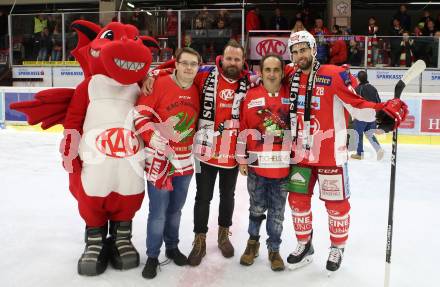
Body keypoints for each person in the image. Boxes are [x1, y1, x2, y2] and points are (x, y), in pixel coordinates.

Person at [283, 30, 408, 272]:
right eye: (295, 52)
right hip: (301, 156)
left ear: (313, 49)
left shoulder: (333, 75)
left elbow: (358, 105)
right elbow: (267, 76)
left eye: (303, 50)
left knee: (337, 205)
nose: (300, 56)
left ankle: (337, 248)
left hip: (331, 155)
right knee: (297, 201)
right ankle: (304, 244)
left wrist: (383, 111)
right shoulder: (290, 75)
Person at [143, 40, 254, 267]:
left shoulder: (249, 82)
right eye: (229, 58)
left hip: (231, 153)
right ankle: (199, 239)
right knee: (203, 197)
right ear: (221, 58)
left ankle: (223, 235)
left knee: (228, 196)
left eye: (237, 59)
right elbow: (178, 67)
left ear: (243, 61)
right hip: (205, 152)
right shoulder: (204, 75)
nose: (232, 62)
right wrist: (152, 74)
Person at [135, 47, 201, 279]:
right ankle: (153, 255)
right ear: (176, 64)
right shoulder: (160, 84)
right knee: (158, 212)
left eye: (194, 64)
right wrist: (151, 136)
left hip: (185, 162)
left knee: (176, 210)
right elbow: (139, 114)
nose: (189, 68)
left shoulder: (197, 89)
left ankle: (172, 247)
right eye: (185, 63)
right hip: (159, 162)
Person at [237, 53, 290, 271]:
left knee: (277, 212)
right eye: (267, 69)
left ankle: (274, 248)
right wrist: (241, 158)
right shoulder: (250, 96)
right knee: (256, 208)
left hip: (283, 168)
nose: (271, 73)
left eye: (276, 69)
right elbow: (242, 127)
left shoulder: (291, 94)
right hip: (257, 166)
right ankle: (252, 244)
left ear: (282, 72)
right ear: (260, 72)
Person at [350, 71, 384, 160]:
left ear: (358, 79)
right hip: (372, 116)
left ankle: (359, 154)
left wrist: (353, 114)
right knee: (370, 134)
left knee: (358, 134)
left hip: (361, 116)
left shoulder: (357, 89)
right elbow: (378, 102)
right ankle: (378, 149)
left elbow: (354, 103)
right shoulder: (373, 88)